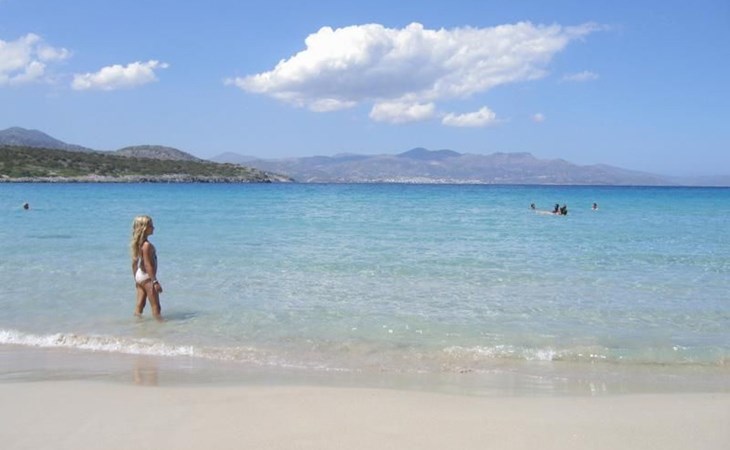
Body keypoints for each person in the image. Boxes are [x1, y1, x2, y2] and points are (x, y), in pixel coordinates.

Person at [130, 215, 163, 320]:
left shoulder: (138, 244)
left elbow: (134, 263)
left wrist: (136, 279)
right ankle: (160, 324)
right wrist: (155, 282)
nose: (153, 228)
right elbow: (148, 265)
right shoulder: (146, 246)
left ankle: (137, 323)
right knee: (156, 306)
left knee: (140, 304)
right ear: (144, 228)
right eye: (151, 226)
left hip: (139, 275)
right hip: (147, 277)